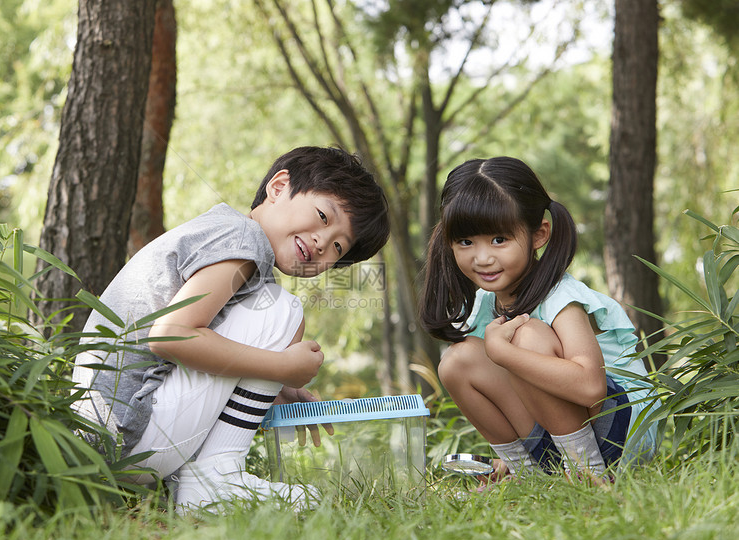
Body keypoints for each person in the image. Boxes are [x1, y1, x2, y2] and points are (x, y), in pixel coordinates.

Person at [73, 146, 390, 512]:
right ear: (279, 186)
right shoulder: (243, 240)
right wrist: (279, 367)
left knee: (275, 307)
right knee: (283, 309)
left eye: (338, 245)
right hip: (127, 434)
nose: (322, 242)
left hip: (105, 442)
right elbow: (170, 335)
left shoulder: (225, 233)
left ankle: (205, 482)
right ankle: (213, 482)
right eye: (322, 215)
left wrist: (277, 387)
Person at [419, 156, 657, 481]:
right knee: (457, 361)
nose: (483, 257)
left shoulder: (561, 296)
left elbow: (590, 387)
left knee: (525, 338)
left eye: (499, 240)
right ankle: (530, 477)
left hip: (624, 428)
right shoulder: (486, 302)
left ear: (539, 235)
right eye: (465, 242)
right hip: (573, 427)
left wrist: (505, 354)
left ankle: (589, 476)